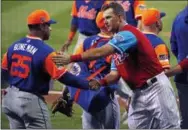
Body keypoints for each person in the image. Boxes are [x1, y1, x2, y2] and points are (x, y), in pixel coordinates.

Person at [52, 2, 180, 129]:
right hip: (138, 92)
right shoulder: (117, 43)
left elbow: (103, 51)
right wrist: (100, 82)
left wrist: (71, 58)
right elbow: (114, 74)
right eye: (104, 18)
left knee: (170, 127)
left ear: (120, 18)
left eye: (109, 17)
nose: (105, 21)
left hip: (156, 89)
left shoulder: (128, 34)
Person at [1, 9, 95, 129]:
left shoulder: (13, 47)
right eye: (48, 25)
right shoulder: (46, 52)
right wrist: (88, 84)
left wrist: (9, 91)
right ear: (41, 26)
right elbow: (64, 77)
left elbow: (3, 73)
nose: (50, 29)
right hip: (29, 102)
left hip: (9, 100)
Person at [63, 11, 120, 129]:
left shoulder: (87, 41)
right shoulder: (116, 44)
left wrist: (66, 95)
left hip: (88, 96)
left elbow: (72, 67)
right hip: (105, 96)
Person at [170, 6, 188, 129]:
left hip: (182, 76)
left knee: (186, 118)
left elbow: (173, 45)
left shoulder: (178, 17)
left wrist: (182, 60)